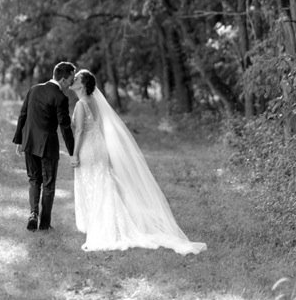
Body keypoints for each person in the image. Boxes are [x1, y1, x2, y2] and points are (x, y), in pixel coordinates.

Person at [70, 69, 206, 254]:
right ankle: (111, 224)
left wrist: (75, 154)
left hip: (89, 149)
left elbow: (79, 132)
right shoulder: (94, 102)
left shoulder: (81, 104)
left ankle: (105, 227)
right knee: (104, 184)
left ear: (83, 84)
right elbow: (99, 127)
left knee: (94, 185)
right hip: (100, 146)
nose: (73, 79)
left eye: (76, 78)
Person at [13, 61, 76, 231]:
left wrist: (19, 140)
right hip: (48, 146)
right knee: (48, 184)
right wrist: (73, 152)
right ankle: (45, 224)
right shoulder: (61, 97)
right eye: (70, 80)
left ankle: (33, 213)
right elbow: (65, 127)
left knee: (34, 179)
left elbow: (23, 115)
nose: (71, 84)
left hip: (29, 142)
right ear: (63, 80)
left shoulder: (34, 89)